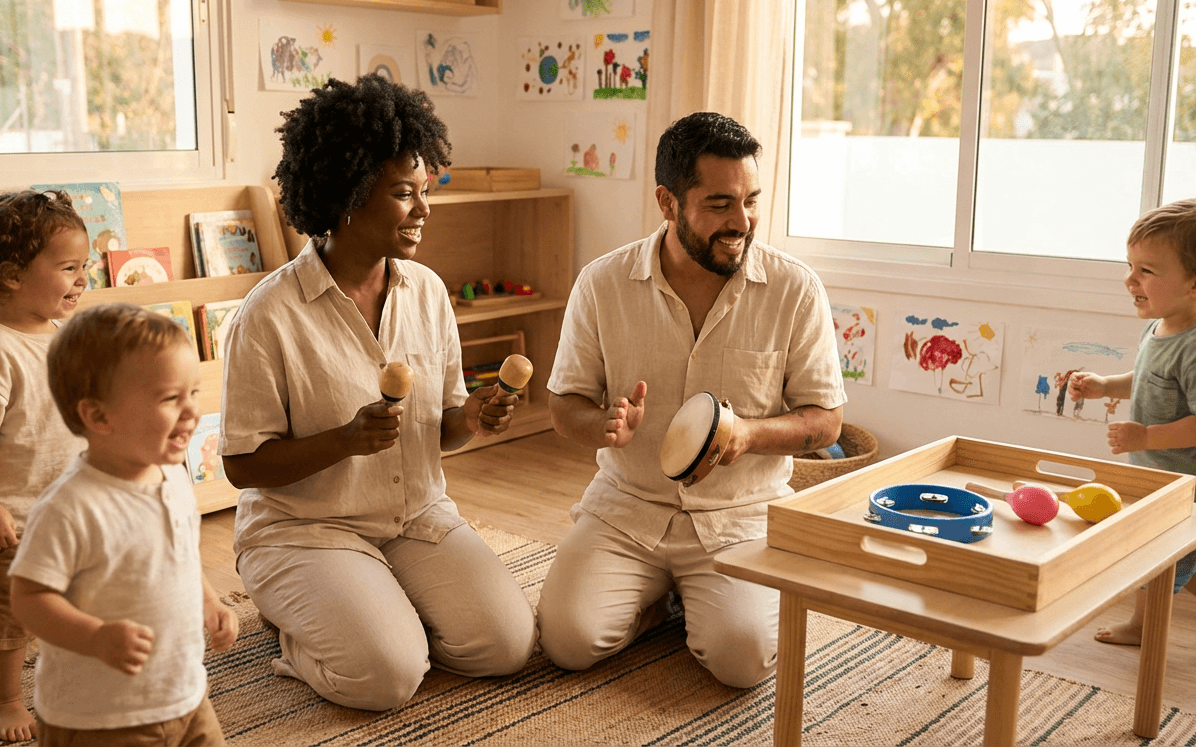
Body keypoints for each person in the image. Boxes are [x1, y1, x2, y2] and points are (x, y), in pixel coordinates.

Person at [218, 74, 536, 711]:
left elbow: (442, 428)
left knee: (508, 646)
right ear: (347, 195)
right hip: (305, 529)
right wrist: (344, 441)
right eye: (403, 194)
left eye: (426, 191)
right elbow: (240, 465)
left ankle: (377, 606)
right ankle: (297, 628)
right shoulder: (267, 315)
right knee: (387, 677)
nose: (424, 209)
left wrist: (471, 416)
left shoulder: (428, 292)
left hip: (414, 518)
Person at [539, 112, 846, 687]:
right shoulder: (601, 283)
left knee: (743, 662)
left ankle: (691, 603)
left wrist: (750, 435)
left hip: (741, 517)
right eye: (720, 204)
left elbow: (826, 422)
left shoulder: (795, 288)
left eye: (751, 200)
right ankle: (660, 602)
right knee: (567, 643)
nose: (742, 222)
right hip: (626, 508)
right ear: (667, 201)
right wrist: (603, 424)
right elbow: (564, 406)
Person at [10, 303, 239, 743]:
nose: (191, 410)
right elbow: (28, 597)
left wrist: (209, 602)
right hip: (101, 717)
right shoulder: (71, 508)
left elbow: (180, 554)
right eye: (171, 398)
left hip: (185, 696)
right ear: (98, 416)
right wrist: (94, 637)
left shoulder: (171, 472)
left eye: (193, 392)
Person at [0, 189, 91, 742]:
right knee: (8, 621)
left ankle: (70, 679)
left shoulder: (56, 337)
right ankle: (3, 699)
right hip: (9, 521)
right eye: (68, 268)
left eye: (85, 267)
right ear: (11, 275)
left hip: (64, 515)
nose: (81, 280)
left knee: (70, 601)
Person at [1069, 198, 1196, 664]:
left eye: (1146, 270)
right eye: (1130, 266)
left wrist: (1145, 437)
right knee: (1165, 553)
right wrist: (1108, 385)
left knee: (1155, 561)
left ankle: (1149, 630)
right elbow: (1147, 379)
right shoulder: (1162, 326)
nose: (1130, 279)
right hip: (1164, 475)